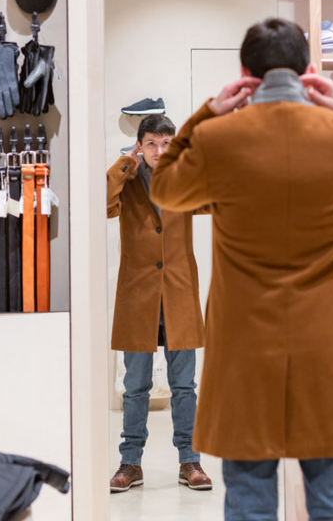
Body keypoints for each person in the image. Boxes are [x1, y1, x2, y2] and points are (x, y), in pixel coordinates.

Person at [150, 18, 333, 520]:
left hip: (244, 346)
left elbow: (163, 188)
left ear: (246, 74)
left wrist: (206, 114)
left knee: (249, 500)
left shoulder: (218, 139)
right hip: (322, 342)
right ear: (308, 71)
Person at [106, 114, 213, 493]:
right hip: (139, 297)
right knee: (135, 387)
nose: (159, 150)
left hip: (178, 294)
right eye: (151, 143)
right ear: (139, 146)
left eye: (166, 143)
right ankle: (130, 464)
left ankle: (190, 461)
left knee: (184, 386)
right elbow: (101, 203)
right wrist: (125, 164)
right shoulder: (127, 180)